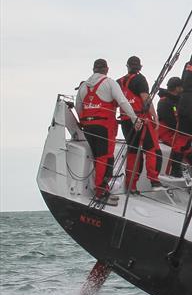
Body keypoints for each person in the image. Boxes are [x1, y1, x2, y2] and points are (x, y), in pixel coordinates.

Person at [75, 58, 140, 205]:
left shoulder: (83, 86)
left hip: (88, 125)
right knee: (105, 158)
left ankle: (100, 187)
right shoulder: (110, 83)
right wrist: (134, 119)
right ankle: (100, 191)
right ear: (106, 69)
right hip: (104, 126)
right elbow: (122, 101)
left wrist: (84, 121)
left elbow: (79, 107)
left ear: (93, 69)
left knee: (97, 156)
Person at [118, 56, 162, 193]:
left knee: (132, 151)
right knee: (151, 149)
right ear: (140, 67)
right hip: (141, 118)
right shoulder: (140, 79)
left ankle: (131, 185)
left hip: (126, 120)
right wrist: (154, 115)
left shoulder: (119, 82)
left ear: (127, 66)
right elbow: (145, 99)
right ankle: (154, 181)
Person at [157, 76, 183, 177]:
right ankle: (175, 171)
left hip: (177, 131)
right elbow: (170, 121)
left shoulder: (178, 100)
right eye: (181, 87)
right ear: (177, 88)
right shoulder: (164, 102)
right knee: (183, 145)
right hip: (167, 133)